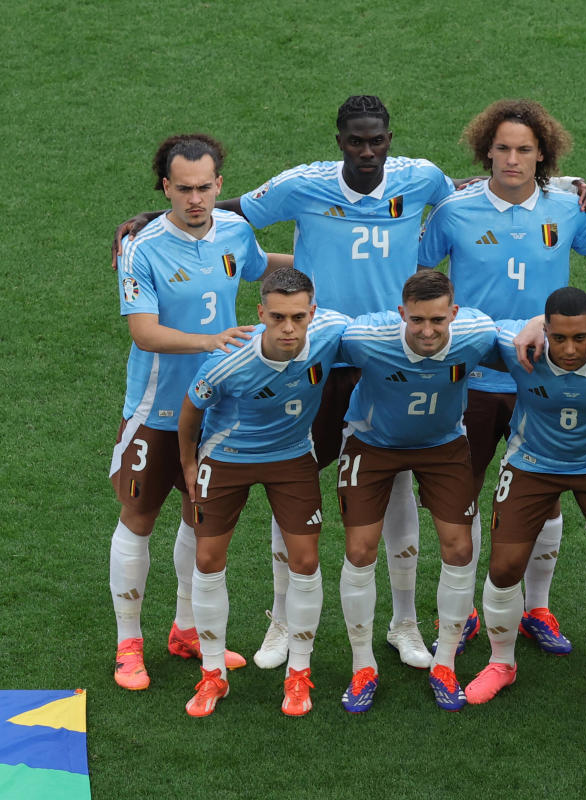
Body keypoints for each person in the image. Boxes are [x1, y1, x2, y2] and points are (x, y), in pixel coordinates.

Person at [114, 96, 468, 672]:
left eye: (377, 140)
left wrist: (552, 179)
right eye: (356, 140)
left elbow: (472, 193)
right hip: (314, 356)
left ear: (390, 137)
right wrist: (152, 218)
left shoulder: (420, 176)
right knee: (289, 478)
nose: (368, 150)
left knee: (398, 483)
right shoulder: (300, 186)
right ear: (339, 142)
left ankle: (405, 622)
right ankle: (279, 621)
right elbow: (233, 211)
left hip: (386, 356)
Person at [417, 99, 586, 655]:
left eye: (525, 150)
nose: (513, 160)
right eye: (503, 148)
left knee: (546, 495)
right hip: (476, 377)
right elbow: (416, 274)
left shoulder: (565, 206)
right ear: (486, 150)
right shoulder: (455, 212)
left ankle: (537, 607)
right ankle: (462, 612)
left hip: (545, 378)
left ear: (544, 157)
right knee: (461, 494)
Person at [110, 133, 290, 690]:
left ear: (219, 184)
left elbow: (266, 267)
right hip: (155, 414)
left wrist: (333, 254)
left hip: (216, 412)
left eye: (205, 187)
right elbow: (143, 331)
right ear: (165, 187)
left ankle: (185, 629)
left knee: (199, 519)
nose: (195, 199)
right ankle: (128, 644)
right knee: (138, 522)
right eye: (183, 189)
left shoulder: (236, 230)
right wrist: (211, 342)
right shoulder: (142, 248)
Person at [463, 287, 586, 709]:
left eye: (580, 338)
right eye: (558, 338)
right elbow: (466, 326)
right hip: (532, 462)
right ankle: (501, 662)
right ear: (544, 330)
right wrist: (526, 325)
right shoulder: (518, 346)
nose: (568, 349)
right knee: (504, 566)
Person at [178, 268, 348, 717]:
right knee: (208, 559)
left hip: (292, 458)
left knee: (306, 561)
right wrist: (190, 463)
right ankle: (213, 675)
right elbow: (192, 408)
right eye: (277, 318)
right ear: (261, 314)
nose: (288, 328)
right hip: (227, 458)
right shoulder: (228, 360)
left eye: (297, 317)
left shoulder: (330, 330)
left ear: (312, 313)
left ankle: (298, 675)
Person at [334, 270, 497, 713]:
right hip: (372, 442)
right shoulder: (367, 337)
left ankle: (445, 663)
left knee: (460, 548)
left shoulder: (477, 332)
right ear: (401, 313)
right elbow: (320, 332)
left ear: (454, 315)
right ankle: (362, 664)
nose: (428, 331)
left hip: (442, 445)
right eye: (418, 320)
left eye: (438, 321)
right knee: (360, 549)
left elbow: (523, 331)